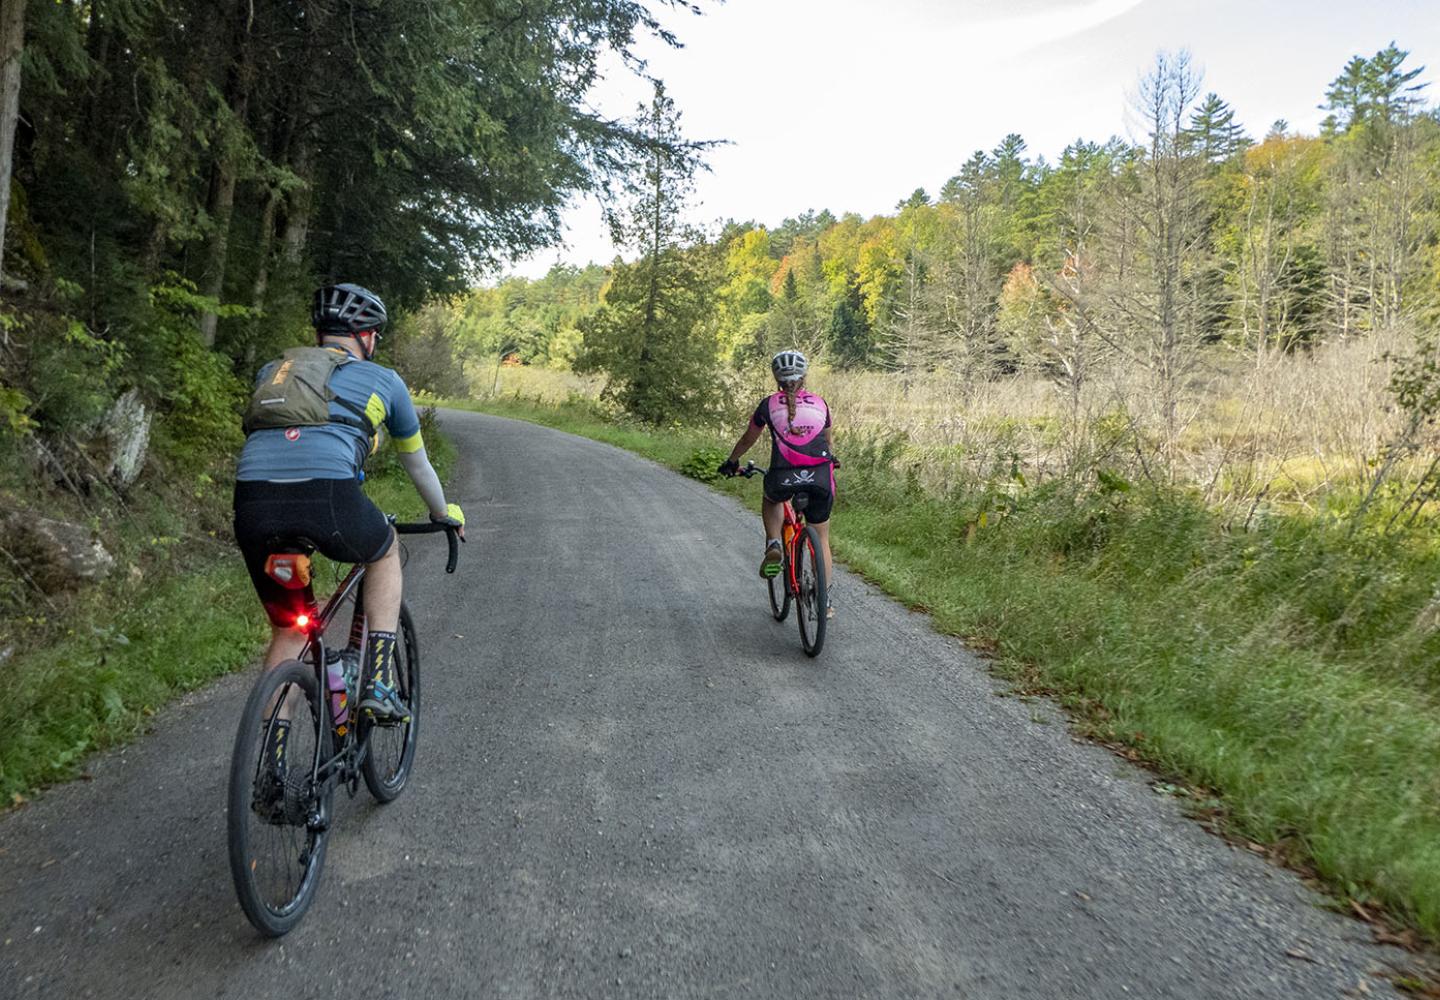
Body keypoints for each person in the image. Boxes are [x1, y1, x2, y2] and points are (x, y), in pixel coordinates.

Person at [233, 283, 464, 739]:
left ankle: (270, 772)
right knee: (383, 550)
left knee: (289, 631)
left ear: (319, 335)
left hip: (252, 503)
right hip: (328, 497)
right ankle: (379, 681)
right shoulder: (385, 380)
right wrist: (444, 513)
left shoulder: (273, 371)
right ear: (368, 337)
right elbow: (417, 463)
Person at [719, 349, 836, 615]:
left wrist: (732, 461)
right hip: (820, 475)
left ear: (776, 378)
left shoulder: (768, 405)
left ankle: (773, 543)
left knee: (772, 497)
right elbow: (828, 443)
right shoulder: (821, 403)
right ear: (804, 377)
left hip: (783, 475)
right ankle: (824, 600)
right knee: (822, 537)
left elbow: (748, 438)